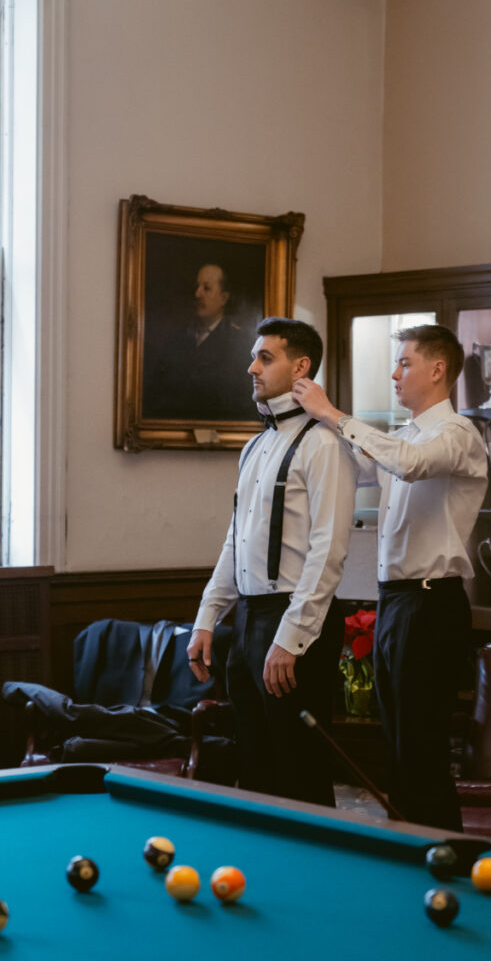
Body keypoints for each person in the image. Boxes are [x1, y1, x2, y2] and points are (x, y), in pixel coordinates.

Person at [293, 323, 488, 830]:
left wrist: (333, 413)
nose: (394, 373)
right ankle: (407, 856)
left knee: (421, 746)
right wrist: (307, 423)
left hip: (433, 605)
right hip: (396, 603)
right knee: (397, 745)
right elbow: (352, 465)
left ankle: (447, 855)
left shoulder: (458, 435)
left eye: (405, 363)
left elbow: (410, 464)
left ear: (438, 369)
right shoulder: (397, 438)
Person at [187, 317, 358, 807]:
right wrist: (207, 619)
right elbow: (235, 540)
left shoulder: (326, 444)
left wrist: (293, 637)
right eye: (254, 357)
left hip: (294, 622)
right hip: (246, 621)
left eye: (266, 358)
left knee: (298, 771)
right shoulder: (254, 446)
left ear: (301, 366)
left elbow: (328, 548)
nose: (252, 368)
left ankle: (313, 879)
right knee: (256, 769)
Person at [143, 263, 254, 421]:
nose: (197, 294)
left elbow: (240, 401)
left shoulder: (238, 343)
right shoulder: (175, 339)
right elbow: (156, 393)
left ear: (224, 298)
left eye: (206, 288)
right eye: (197, 287)